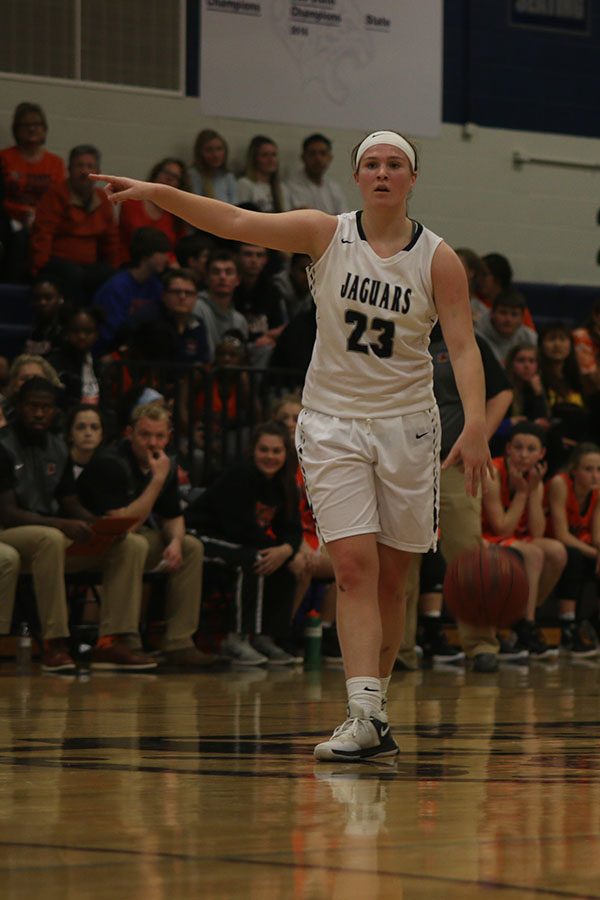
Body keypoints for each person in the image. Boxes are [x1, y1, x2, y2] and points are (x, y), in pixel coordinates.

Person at [90, 127, 491, 762]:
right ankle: (362, 714)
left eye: (395, 165)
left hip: (408, 427)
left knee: (392, 581)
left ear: (413, 179)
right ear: (358, 177)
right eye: (372, 164)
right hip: (332, 422)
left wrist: (475, 424)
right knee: (354, 568)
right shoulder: (324, 232)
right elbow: (230, 218)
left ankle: (376, 711)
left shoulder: (437, 258)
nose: (383, 173)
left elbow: (464, 346)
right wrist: (159, 193)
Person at [0, 377, 156, 673]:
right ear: (19, 407)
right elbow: (7, 512)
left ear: (55, 412)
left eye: (46, 408)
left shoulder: (58, 446)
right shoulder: (3, 446)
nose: (39, 413)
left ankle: (111, 641)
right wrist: (63, 524)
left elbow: (70, 500)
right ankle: (54, 642)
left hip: (49, 534)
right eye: (33, 406)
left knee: (131, 543)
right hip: (9, 534)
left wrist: (99, 524)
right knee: (50, 538)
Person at [76, 402, 213, 668]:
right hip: (88, 543)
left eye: (159, 436)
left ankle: (179, 643)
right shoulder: (110, 462)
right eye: (145, 435)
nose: (153, 442)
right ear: (130, 433)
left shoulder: (164, 464)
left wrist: (174, 542)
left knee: (190, 546)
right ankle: (120, 640)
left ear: (168, 436)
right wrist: (157, 481)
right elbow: (122, 526)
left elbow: (173, 516)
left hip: (125, 541)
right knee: (133, 543)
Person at [185, 420, 304, 665]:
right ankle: (235, 639)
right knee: (255, 560)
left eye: (276, 451)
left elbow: (293, 529)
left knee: (284, 564)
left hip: (238, 540)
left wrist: (286, 550)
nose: (269, 456)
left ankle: (265, 637)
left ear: (285, 454)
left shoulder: (285, 484)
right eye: (264, 450)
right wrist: (276, 551)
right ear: (252, 451)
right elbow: (236, 526)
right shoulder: (240, 475)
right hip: (202, 534)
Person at [481, 422, 567, 659]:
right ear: (508, 448)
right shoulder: (494, 472)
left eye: (531, 449)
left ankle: (524, 619)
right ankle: (526, 624)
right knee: (534, 554)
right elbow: (501, 527)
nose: (523, 454)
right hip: (485, 535)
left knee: (557, 551)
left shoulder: (535, 478)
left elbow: (537, 532)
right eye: (518, 447)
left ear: (541, 454)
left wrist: (532, 491)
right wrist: (520, 494)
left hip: (514, 537)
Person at [30, 145, 119, 304]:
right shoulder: (55, 194)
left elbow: (110, 240)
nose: (84, 171)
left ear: (98, 173)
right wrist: (38, 270)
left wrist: (115, 267)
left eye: (90, 166)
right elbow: (43, 233)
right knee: (73, 274)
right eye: (79, 165)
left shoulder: (103, 199)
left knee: (110, 275)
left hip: (89, 265)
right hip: (59, 262)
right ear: (69, 169)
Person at [0, 102, 66, 281]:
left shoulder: (56, 163)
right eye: (26, 125)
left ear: (44, 128)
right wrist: (23, 214)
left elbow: (59, 199)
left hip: (44, 220)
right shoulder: (4, 158)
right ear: (16, 129)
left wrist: (38, 216)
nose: (32, 129)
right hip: (9, 220)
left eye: (36, 124)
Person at [547, 443, 600, 658]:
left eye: (599, 469)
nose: (595, 475)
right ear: (574, 470)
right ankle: (568, 628)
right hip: (551, 541)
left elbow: (597, 535)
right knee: (575, 557)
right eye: (588, 469)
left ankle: (594, 622)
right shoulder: (560, 484)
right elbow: (562, 534)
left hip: (579, 542)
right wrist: (596, 554)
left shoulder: (597, 491)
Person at [92, 226, 170, 354]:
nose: (166, 259)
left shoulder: (155, 285)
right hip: (111, 353)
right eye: (162, 253)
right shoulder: (117, 287)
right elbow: (109, 331)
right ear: (146, 254)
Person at [117, 157, 189, 266]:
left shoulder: (177, 213)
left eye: (175, 177)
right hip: (131, 263)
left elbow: (179, 246)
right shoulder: (132, 201)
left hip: (165, 266)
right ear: (156, 173)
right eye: (166, 172)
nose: (169, 178)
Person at [233, 243, 286, 366]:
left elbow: (281, 326)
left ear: (265, 260)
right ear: (237, 257)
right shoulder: (229, 286)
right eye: (248, 254)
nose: (253, 260)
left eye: (259, 255)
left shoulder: (272, 290)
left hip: (259, 348)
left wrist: (270, 336)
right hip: (232, 345)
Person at [194, 250, 249, 360]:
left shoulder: (240, 320)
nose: (222, 277)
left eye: (228, 272)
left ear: (238, 279)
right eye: (216, 272)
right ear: (207, 278)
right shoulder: (196, 307)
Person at [287, 133, 347, 215]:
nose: (318, 159)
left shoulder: (334, 188)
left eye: (323, 153)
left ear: (329, 158)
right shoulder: (289, 187)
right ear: (303, 157)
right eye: (312, 153)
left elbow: (343, 218)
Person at [475, 289, 537, 367]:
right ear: (492, 314)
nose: (508, 319)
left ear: (522, 318)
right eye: (503, 312)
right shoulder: (477, 337)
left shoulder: (530, 338)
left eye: (514, 314)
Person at [236, 135, 290, 212]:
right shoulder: (245, 184)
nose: (271, 160)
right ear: (254, 159)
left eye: (274, 155)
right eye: (264, 155)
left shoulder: (281, 187)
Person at [189, 129, 238, 205]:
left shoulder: (227, 176)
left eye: (219, 149)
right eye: (209, 150)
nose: (215, 155)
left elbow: (235, 204)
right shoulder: (194, 175)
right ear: (200, 152)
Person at [22, 277, 66, 358]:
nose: (42, 302)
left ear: (60, 299)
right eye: (37, 298)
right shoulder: (28, 332)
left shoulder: (67, 333)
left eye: (48, 298)